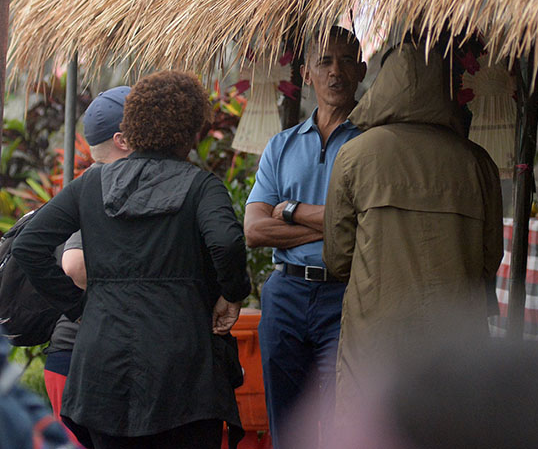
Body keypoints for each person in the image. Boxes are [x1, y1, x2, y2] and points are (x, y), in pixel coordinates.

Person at [12, 71, 251, 449]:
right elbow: (226, 241)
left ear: (133, 127)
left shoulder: (90, 185)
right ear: (191, 130)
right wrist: (232, 293)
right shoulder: (202, 186)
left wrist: (81, 307)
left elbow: (29, 246)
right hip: (183, 367)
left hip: (102, 364)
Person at [322, 40, 503, 422]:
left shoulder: (355, 155)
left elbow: (338, 259)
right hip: (456, 340)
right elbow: (490, 260)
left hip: (375, 340)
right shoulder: (477, 162)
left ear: (385, 84)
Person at [244, 26, 366, 448]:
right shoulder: (281, 146)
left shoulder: (372, 145)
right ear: (306, 74)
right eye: (325, 61)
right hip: (286, 293)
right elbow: (255, 229)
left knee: (343, 425)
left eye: (347, 61)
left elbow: (369, 224)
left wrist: (293, 212)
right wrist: (336, 225)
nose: (336, 72)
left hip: (347, 296)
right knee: (288, 429)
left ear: (362, 71)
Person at [42, 86, 132, 448]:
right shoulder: (99, 188)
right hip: (80, 360)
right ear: (123, 140)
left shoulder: (99, 184)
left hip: (80, 359)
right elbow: (75, 265)